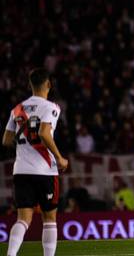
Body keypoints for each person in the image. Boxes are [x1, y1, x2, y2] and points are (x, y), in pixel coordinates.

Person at [2, 68, 69, 256]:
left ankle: (11, 255)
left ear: (30, 85)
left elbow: (6, 141)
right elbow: (44, 133)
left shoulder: (17, 109)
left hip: (21, 170)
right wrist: (59, 158)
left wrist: (24, 142)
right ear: (48, 84)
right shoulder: (51, 107)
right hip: (45, 170)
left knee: (23, 219)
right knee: (49, 219)